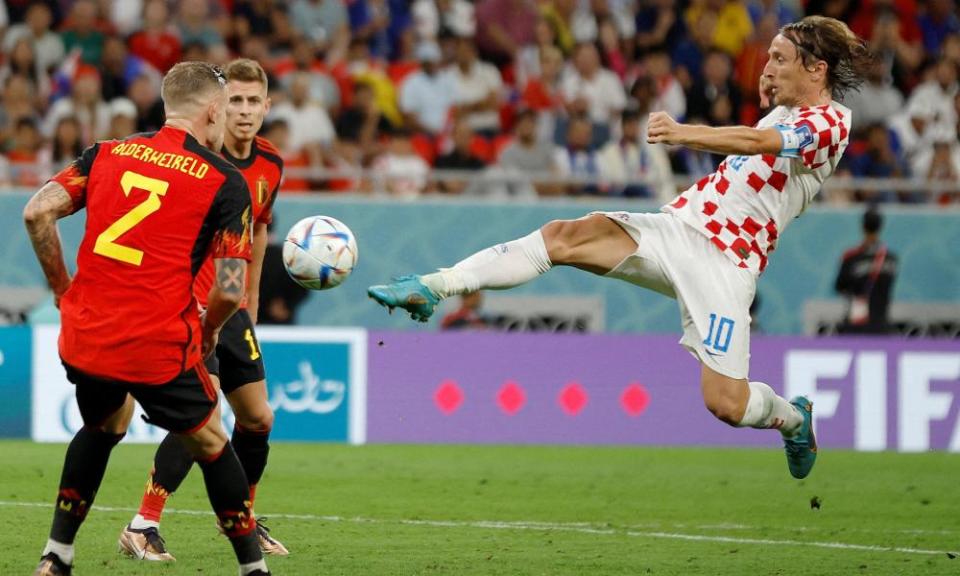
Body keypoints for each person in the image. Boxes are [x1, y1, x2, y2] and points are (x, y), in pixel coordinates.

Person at [368, 16, 872, 481]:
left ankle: (792, 418)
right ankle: (434, 286)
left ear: (817, 68)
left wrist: (682, 133)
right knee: (566, 236)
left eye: (779, 59)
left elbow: (757, 143)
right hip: (678, 228)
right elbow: (768, 124)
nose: (767, 68)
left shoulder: (833, 123)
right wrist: (773, 84)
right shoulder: (789, 107)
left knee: (727, 404)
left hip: (727, 262)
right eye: (768, 57)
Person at [24, 61, 270, 575]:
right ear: (211, 111)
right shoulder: (225, 182)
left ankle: (56, 556)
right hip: (156, 342)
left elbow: (37, 211)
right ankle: (254, 569)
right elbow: (229, 289)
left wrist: (61, 290)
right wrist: (206, 333)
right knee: (211, 442)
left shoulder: (108, 153)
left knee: (103, 424)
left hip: (85, 334)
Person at [118, 59, 287, 561]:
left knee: (258, 419)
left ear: (266, 107)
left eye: (254, 101)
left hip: (231, 305)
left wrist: (250, 298)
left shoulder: (272, 164)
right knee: (205, 408)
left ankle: (243, 519)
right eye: (234, 100)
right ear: (216, 106)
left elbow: (258, 229)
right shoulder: (196, 158)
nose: (244, 111)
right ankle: (143, 522)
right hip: (187, 302)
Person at [835, 208, 898, 334]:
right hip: (882, 325)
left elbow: (839, 287)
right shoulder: (891, 259)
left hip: (856, 326)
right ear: (881, 227)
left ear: (862, 226)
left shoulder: (851, 258)